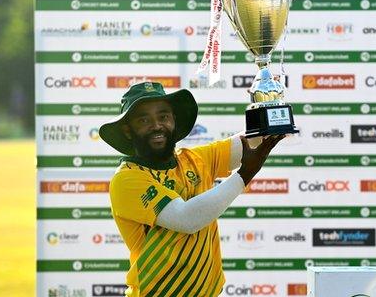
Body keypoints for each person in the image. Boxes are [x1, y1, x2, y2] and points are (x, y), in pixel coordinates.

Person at [99, 81, 284, 297]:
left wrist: (268, 106)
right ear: (127, 131)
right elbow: (186, 219)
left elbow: (252, 141)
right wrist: (244, 175)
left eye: (163, 116)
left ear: (173, 121)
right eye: (144, 120)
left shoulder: (194, 159)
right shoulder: (127, 178)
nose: (157, 125)